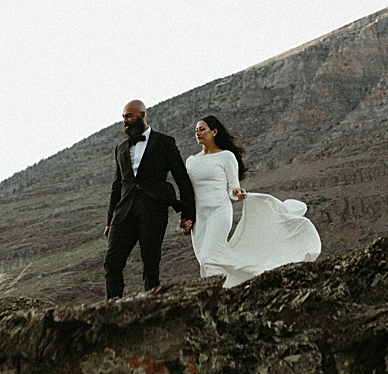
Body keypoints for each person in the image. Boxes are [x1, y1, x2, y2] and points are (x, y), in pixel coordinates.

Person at [185, 114, 321, 287]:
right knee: (205, 260)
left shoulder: (226, 156)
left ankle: (259, 274)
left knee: (209, 256)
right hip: (199, 216)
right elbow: (188, 192)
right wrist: (186, 217)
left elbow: (232, 188)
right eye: (196, 130)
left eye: (202, 129)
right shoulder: (191, 161)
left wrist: (237, 193)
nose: (198, 132)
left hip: (219, 211)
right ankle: (225, 292)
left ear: (214, 132)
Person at [103, 100, 195, 298]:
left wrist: (188, 213)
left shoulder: (164, 142)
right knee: (112, 262)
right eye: (123, 117)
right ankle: (111, 310)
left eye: (129, 116)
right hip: (124, 212)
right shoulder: (120, 148)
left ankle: (153, 307)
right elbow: (117, 186)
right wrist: (109, 221)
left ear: (142, 115)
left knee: (150, 263)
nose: (125, 121)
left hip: (153, 209)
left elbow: (182, 178)